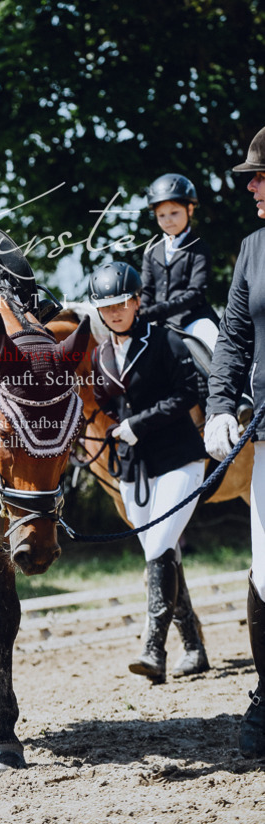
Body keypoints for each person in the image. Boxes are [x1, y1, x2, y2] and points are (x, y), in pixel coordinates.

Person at [89, 261, 209, 683]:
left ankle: (153, 649)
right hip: (133, 469)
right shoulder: (99, 355)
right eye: (107, 306)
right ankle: (194, 647)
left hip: (179, 458)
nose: (116, 311)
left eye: (123, 303)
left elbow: (186, 393)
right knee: (162, 552)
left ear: (138, 301)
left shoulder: (165, 341)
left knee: (159, 546)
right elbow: (104, 403)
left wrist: (137, 425)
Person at [204, 126, 265, 758]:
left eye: (260, 176)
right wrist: (220, 405)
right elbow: (232, 338)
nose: (250, 185)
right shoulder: (252, 249)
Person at [138, 173, 220, 353]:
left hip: (193, 320)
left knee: (215, 346)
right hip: (158, 322)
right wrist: (141, 311)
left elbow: (195, 292)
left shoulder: (199, 248)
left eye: (174, 213)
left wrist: (158, 310)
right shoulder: (152, 251)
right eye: (161, 215)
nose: (167, 220)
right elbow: (147, 289)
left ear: (189, 209)